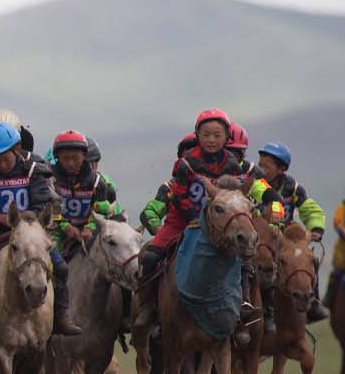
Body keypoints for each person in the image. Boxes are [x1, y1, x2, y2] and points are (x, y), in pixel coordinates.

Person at [0, 121, 79, 336]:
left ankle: (61, 315)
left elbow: (41, 200)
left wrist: (21, 220)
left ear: (16, 150)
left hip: (30, 232)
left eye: (4, 158)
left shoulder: (33, 171)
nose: (1, 164)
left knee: (60, 267)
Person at [138, 109, 243, 304]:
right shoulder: (185, 164)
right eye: (206, 135)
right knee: (151, 257)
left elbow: (235, 197)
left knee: (247, 260)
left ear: (227, 136)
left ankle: (244, 307)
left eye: (217, 135)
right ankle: (147, 307)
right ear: (198, 135)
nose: (211, 140)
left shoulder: (233, 164)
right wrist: (196, 218)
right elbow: (179, 196)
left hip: (220, 224)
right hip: (181, 221)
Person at [248, 141, 327, 325]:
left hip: (286, 240)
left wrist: (315, 228)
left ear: (281, 168)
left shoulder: (293, 188)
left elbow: (309, 209)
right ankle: (260, 310)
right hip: (261, 239)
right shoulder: (254, 184)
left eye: (267, 166)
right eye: (260, 164)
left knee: (311, 260)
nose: (262, 168)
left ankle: (312, 301)